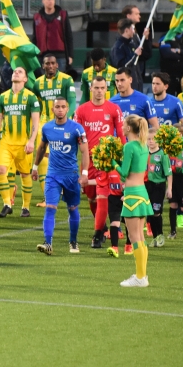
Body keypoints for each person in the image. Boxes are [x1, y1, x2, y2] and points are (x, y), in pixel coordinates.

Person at [32, 97, 89, 255]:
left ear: (68, 108)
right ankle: (48, 243)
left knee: (72, 209)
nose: (60, 109)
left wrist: (84, 173)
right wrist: (35, 167)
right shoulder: (47, 128)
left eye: (63, 107)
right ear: (52, 109)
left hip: (71, 176)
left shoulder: (77, 129)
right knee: (50, 208)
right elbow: (42, 148)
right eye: (57, 106)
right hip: (52, 176)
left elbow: (85, 151)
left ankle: (73, 241)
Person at [74, 75, 125, 249]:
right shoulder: (81, 110)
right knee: (91, 197)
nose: (99, 91)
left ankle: (98, 235)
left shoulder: (114, 109)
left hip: (106, 162)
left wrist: (124, 158)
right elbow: (76, 137)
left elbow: (122, 134)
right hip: (87, 161)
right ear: (90, 89)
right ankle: (102, 227)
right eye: (96, 88)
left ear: (107, 89)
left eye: (103, 88)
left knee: (103, 196)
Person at [0, 66, 41, 218]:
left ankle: (25, 207)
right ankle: (7, 204)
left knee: (25, 174)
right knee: (0, 170)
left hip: (24, 144)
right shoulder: (2, 97)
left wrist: (31, 141)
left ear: (25, 79)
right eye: (14, 71)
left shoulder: (31, 97)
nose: (16, 72)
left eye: (20, 72)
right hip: (6, 143)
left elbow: (36, 123)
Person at [32, 53, 77, 203]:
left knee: (63, 157)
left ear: (57, 65)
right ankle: (48, 196)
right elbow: (35, 106)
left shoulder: (66, 80)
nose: (50, 66)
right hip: (44, 124)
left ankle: (66, 187)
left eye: (53, 63)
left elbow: (71, 101)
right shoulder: (37, 84)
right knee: (45, 157)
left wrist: (65, 118)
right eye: (47, 64)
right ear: (43, 66)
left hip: (64, 124)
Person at [114, 115, 152, 287]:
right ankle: (142, 276)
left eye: (123, 125)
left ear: (129, 128)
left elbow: (124, 172)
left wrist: (112, 163)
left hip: (132, 193)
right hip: (142, 192)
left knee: (134, 236)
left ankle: (140, 277)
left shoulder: (129, 146)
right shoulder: (143, 145)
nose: (121, 127)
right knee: (141, 236)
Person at [32, 0, 74, 72]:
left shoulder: (63, 15)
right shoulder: (37, 17)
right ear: (43, 1)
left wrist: (70, 55)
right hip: (42, 56)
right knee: (43, 82)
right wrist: (33, 56)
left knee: (59, 81)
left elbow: (69, 36)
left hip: (60, 56)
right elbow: (35, 38)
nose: (50, 1)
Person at [144, 128, 172, 248]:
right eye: (148, 139)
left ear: (158, 140)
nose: (150, 141)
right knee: (149, 213)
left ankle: (160, 235)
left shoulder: (162, 155)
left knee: (156, 212)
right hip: (146, 186)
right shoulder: (144, 153)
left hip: (158, 186)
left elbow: (169, 173)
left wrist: (169, 188)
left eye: (153, 139)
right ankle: (155, 237)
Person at [110, 18, 147, 93]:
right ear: (127, 30)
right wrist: (135, 54)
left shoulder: (132, 43)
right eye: (132, 28)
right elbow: (121, 65)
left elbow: (145, 55)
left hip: (137, 84)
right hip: (126, 88)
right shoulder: (118, 47)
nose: (134, 31)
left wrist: (146, 39)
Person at [122, 5, 152, 91]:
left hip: (139, 74)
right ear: (128, 15)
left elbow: (145, 55)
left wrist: (146, 39)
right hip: (130, 76)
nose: (139, 16)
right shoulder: (124, 35)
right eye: (136, 14)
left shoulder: (136, 32)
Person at [167, 131, 183, 238]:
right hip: (174, 177)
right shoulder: (170, 150)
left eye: (179, 135)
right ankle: (173, 231)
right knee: (173, 205)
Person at [158, 31, 183, 95]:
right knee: (169, 98)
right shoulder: (166, 35)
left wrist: (178, 50)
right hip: (169, 75)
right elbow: (167, 53)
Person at [105, 168, 124, 257]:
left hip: (126, 197)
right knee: (114, 223)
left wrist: (126, 194)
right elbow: (101, 180)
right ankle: (114, 248)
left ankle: (129, 245)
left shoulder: (126, 167)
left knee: (129, 223)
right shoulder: (108, 168)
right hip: (113, 198)